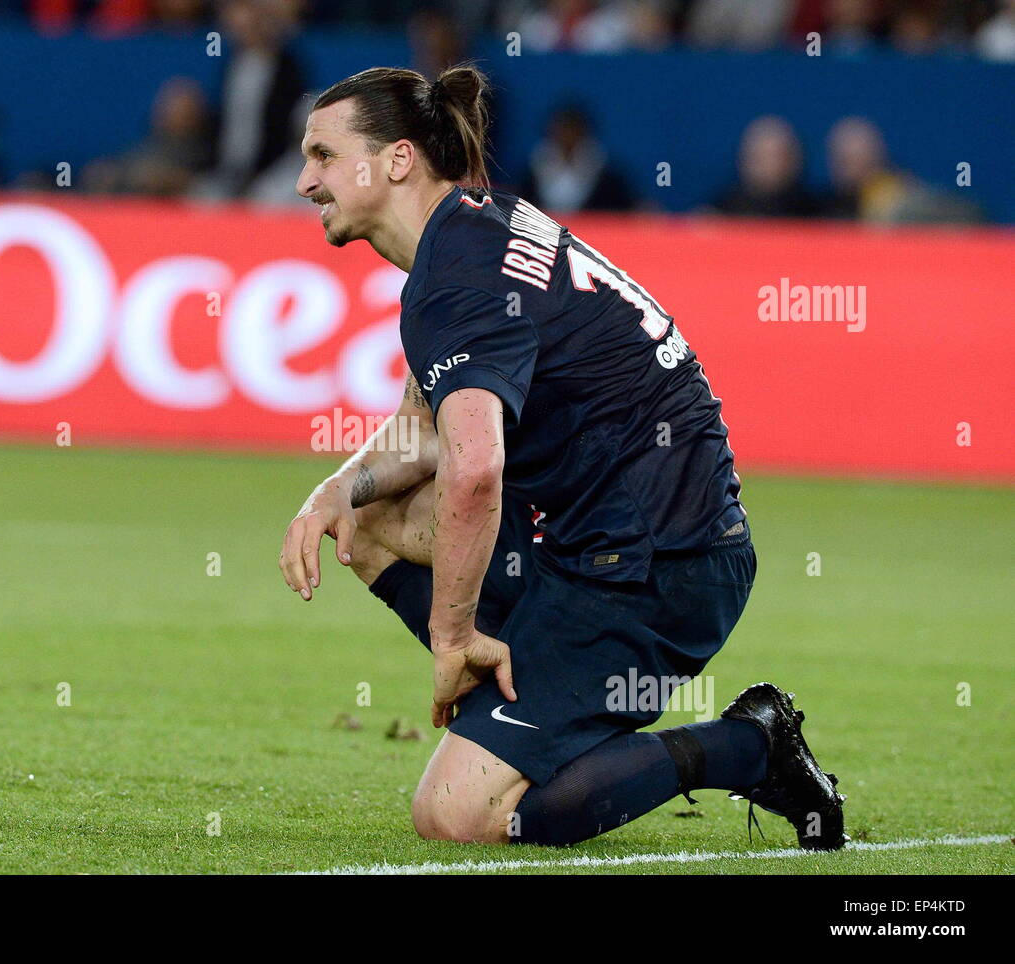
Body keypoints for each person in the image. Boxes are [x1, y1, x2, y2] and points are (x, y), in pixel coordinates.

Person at [278, 64, 847, 848]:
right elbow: (432, 431)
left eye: (323, 155)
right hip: (613, 540)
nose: (306, 180)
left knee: (454, 814)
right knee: (368, 518)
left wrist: (451, 637)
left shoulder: (458, 278)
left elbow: (476, 471)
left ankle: (750, 744)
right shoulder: (476, 225)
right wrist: (341, 486)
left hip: (658, 566)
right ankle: (528, 713)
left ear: (398, 159)